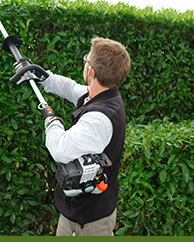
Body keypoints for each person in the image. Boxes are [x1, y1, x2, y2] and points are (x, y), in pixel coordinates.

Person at [39, 37, 131, 236]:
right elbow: (72, 89)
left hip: (89, 223)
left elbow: (60, 149)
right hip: (76, 215)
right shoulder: (104, 95)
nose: (85, 63)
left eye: (86, 60)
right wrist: (44, 77)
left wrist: (52, 121)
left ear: (91, 71)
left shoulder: (98, 120)